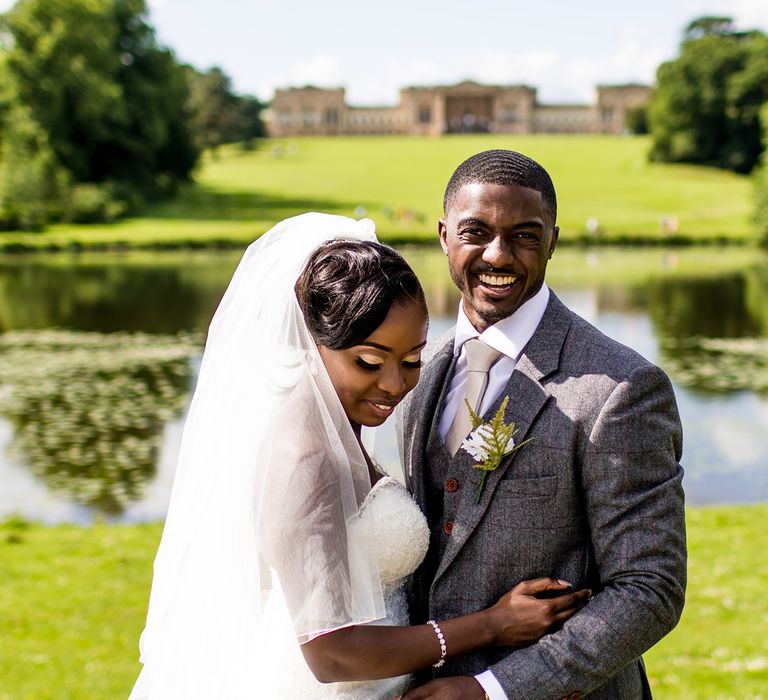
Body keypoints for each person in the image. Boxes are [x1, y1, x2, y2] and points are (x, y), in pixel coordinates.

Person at [129, 212, 590, 700]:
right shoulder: (303, 455)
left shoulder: (339, 427)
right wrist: (492, 625)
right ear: (315, 342)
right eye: (369, 362)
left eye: (411, 360)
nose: (394, 385)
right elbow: (331, 653)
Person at [398, 150, 687, 699]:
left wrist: (492, 691)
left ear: (553, 240)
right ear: (442, 236)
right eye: (475, 232)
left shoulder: (619, 389)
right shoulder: (419, 369)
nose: (497, 255)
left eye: (525, 236)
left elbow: (652, 587)